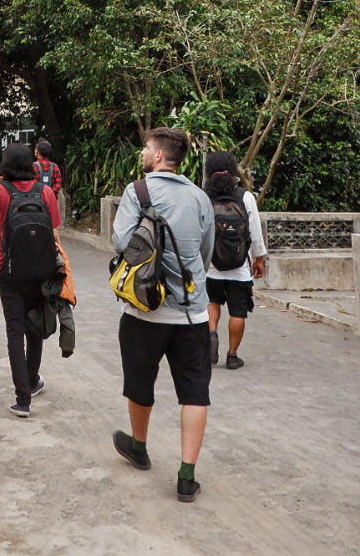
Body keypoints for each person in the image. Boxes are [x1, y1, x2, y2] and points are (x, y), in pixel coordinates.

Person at [109, 127, 214, 503]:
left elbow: (121, 242)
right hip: (192, 315)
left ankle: (139, 447)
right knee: (195, 394)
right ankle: (187, 476)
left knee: (141, 382)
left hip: (144, 312)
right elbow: (205, 253)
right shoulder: (200, 197)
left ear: (157, 156)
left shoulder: (138, 192)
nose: (142, 153)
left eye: (145, 148)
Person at [0, 141, 61, 418]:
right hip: (42, 270)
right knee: (35, 326)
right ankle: (33, 379)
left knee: (15, 331)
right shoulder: (46, 191)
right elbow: (55, 233)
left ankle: (22, 399)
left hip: (8, 270)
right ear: (30, 164)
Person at [203, 151, 268, 370]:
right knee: (238, 312)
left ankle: (211, 334)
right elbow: (256, 234)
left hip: (210, 266)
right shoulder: (245, 197)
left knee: (212, 303)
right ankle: (232, 355)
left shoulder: (204, 197)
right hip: (240, 267)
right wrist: (259, 259)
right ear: (233, 170)